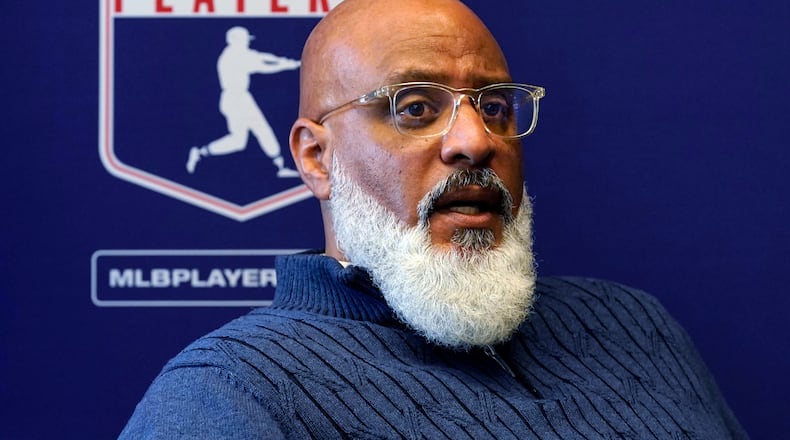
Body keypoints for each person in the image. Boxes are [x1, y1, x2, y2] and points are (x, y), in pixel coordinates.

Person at [121, 0, 747, 438]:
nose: (476, 142)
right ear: (317, 158)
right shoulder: (230, 393)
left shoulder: (635, 327)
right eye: (415, 107)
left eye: (495, 106)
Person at [186, 26, 301, 177]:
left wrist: (285, 61)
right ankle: (200, 152)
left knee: (248, 136)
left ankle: (280, 167)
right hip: (235, 99)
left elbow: (262, 56)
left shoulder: (241, 53)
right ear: (234, 41)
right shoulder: (232, 57)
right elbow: (263, 67)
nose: (247, 42)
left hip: (240, 98)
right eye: (244, 40)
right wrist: (288, 66)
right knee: (251, 135)